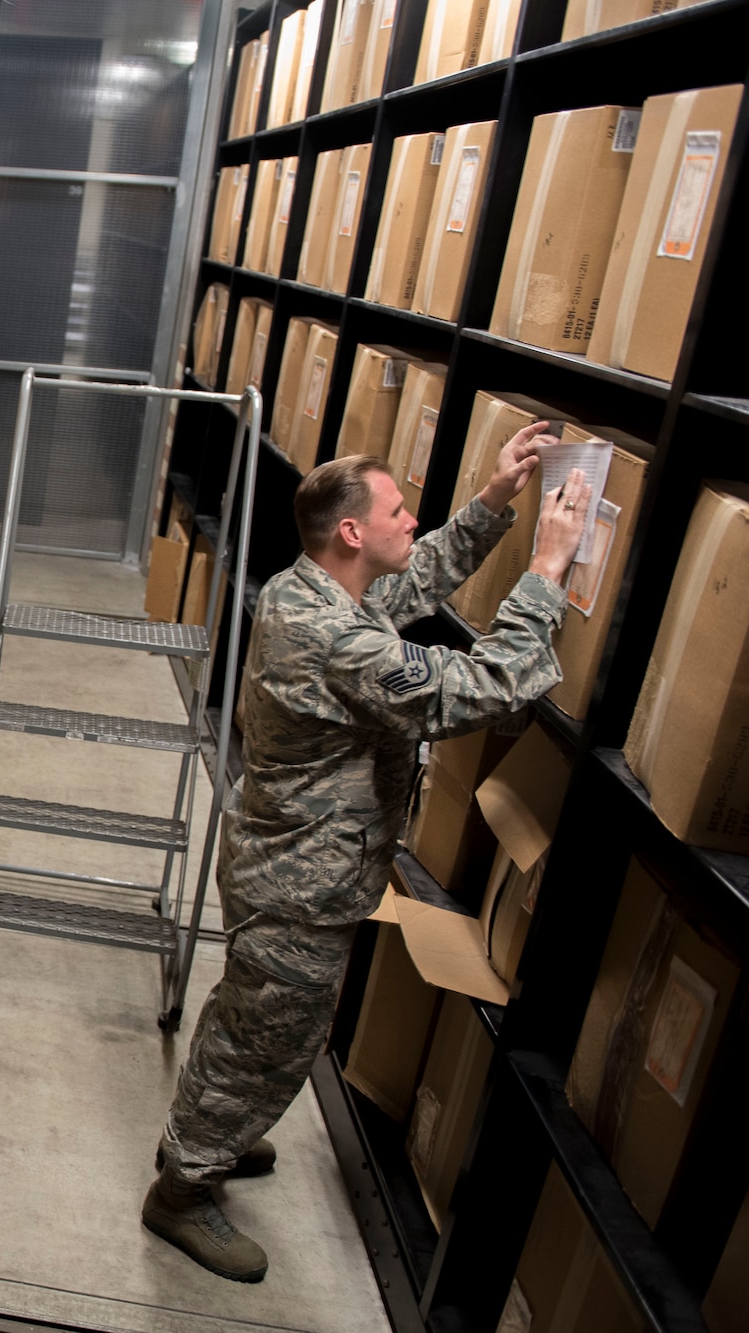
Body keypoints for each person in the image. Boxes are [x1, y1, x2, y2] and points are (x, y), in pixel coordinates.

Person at [141, 426, 593, 1282]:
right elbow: (475, 691)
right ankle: (182, 1185)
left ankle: (210, 1136)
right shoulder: (338, 638)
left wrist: (493, 500)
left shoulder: (310, 592)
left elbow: (413, 578)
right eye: (397, 509)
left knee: (252, 1022)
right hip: (300, 881)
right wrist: (546, 573)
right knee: (263, 1038)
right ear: (352, 532)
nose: (410, 520)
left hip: (286, 859)